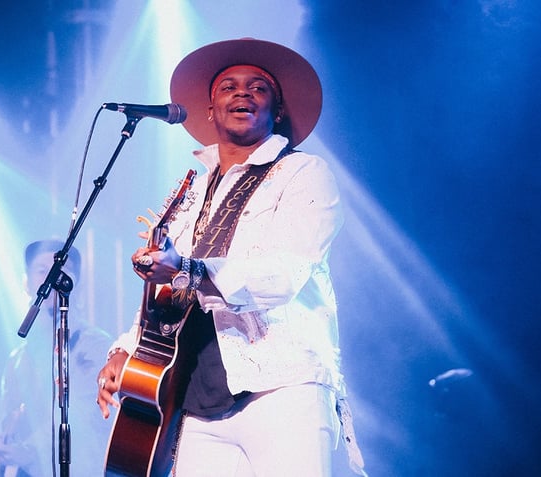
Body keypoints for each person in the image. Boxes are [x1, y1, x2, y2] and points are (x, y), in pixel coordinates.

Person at [95, 38, 366, 476]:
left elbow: (284, 274)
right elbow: (170, 292)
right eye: (228, 87)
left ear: (276, 111)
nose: (242, 93)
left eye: (258, 87)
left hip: (281, 387)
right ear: (209, 110)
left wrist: (186, 267)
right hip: (196, 398)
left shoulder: (304, 173)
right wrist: (126, 349)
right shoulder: (191, 191)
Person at [0, 240, 112, 477]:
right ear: (26, 282)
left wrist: (30, 450)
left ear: (75, 284)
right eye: (42, 271)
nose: (52, 279)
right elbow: (2, 427)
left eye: (63, 273)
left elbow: (86, 414)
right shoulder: (18, 360)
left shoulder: (96, 346)